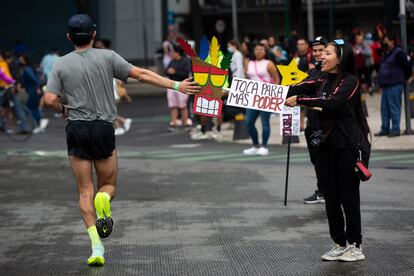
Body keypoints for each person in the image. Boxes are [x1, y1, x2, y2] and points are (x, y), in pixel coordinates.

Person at [44, 14, 199, 266]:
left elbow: (50, 99)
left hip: (77, 128)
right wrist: (176, 86)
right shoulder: (108, 57)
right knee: (108, 185)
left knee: (85, 191)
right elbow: (140, 74)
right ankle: (104, 199)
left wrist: (64, 111)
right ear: (94, 34)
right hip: (104, 128)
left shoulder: (60, 64)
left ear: (69, 37)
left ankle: (96, 247)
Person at [286, 41, 371, 262]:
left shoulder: (350, 81)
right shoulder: (319, 78)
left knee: (348, 197)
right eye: (321, 52)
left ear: (340, 58)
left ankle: (355, 245)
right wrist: (252, 89)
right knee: (331, 197)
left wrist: (300, 100)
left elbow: (331, 102)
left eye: (327, 52)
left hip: (347, 148)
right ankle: (339, 243)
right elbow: (295, 88)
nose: (321, 56)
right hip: (324, 146)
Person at [301, 36, 328, 204]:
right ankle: (323, 191)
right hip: (312, 125)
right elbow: (300, 90)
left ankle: (327, 191)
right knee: (317, 161)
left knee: (325, 161)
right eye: (315, 50)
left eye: (321, 50)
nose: (318, 53)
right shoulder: (312, 72)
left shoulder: (332, 72)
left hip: (326, 127)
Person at [243, 43, 280, 156]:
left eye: (261, 49)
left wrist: (273, 94)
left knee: (264, 122)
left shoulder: (269, 63)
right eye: (256, 49)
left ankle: (264, 146)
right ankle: (255, 145)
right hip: (252, 96)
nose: (259, 51)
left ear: (265, 51)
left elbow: (276, 79)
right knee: (249, 122)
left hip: (265, 96)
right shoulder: (249, 62)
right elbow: (247, 78)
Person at [375, 33, 412, 137]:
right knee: (384, 109)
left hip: (395, 84)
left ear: (392, 42)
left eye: (386, 40)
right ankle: (385, 129)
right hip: (386, 85)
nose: (384, 43)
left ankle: (395, 129)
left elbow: (407, 67)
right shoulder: (387, 53)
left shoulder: (398, 53)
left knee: (394, 108)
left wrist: (404, 78)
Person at [165, 44, 192, 132]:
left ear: (177, 52)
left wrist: (174, 72)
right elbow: (166, 71)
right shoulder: (172, 61)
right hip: (172, 85)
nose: (171, 54)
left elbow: (185, 74)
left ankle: (186, 123)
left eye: (172, 52)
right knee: (173, 106)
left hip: (182, 85)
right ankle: (173, 123)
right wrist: (169, 72)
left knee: (183, 106)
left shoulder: (186, 61)